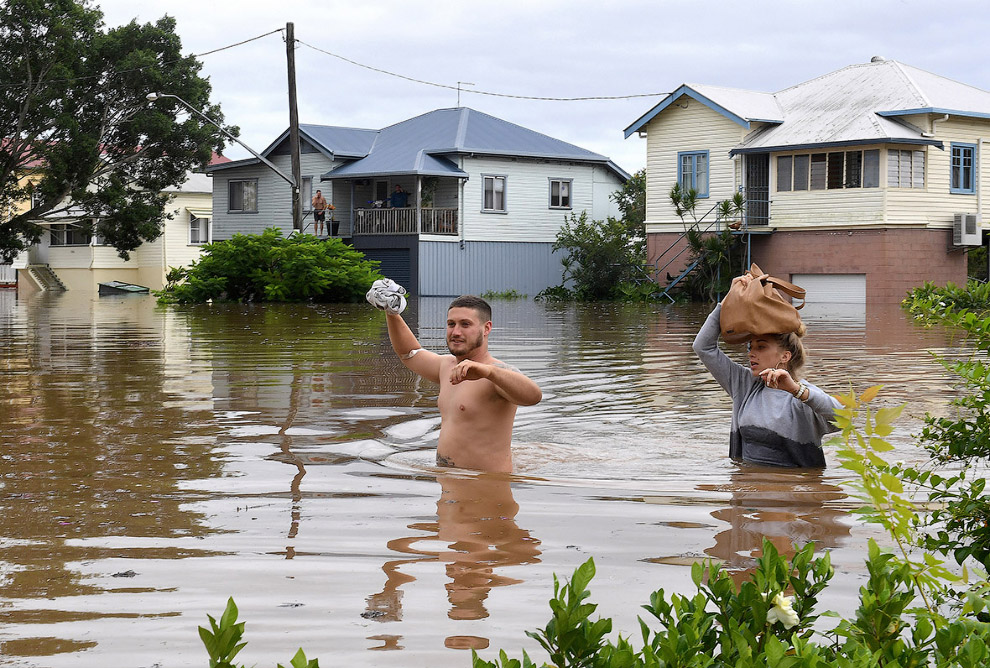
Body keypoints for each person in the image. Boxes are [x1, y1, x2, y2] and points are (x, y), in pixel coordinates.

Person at [366, 280, 542, 472]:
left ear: (487, 328)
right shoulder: (446, 366)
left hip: (485, 488)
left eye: (465, 324)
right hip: (448, 483)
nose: (456, 332)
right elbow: (408, 353)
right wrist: (392, 311)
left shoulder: (496, 373)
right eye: (451, 324)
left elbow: (533, 396)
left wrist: (488, 372)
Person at [692, 272, 840, 468]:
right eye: (750, 347)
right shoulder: (744, 386)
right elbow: (703, 347)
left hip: (793, 494)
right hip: (746, 490)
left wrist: (796, 390)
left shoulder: (803, 395)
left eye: (761, 347)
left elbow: (844, 417)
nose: (751, 354)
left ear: (785, 356)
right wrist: (730, 299)